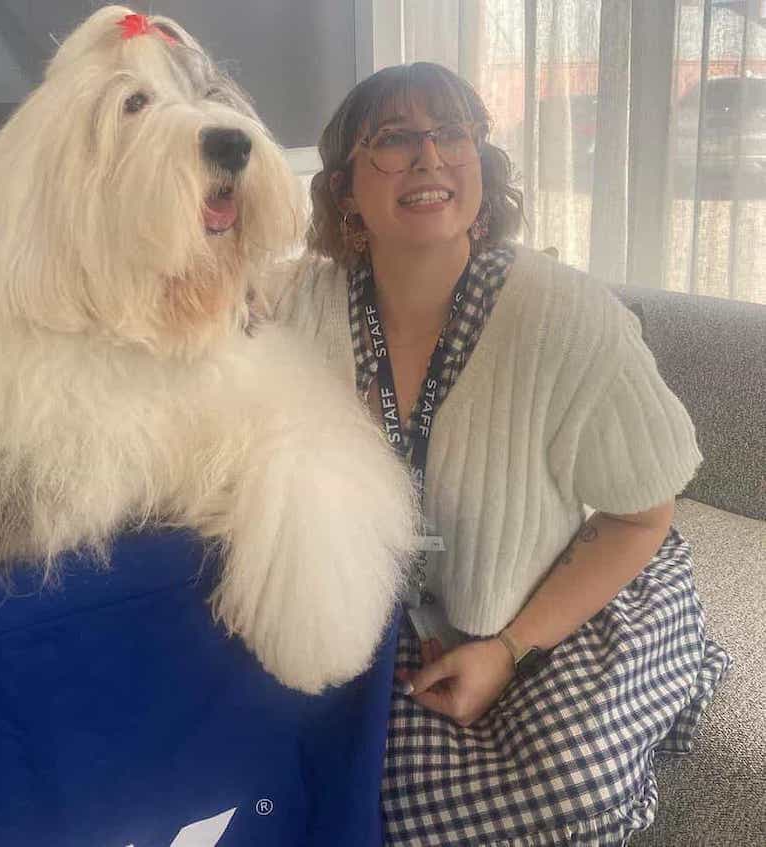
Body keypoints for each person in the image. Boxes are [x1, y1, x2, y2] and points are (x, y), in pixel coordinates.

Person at [274, 62, 730, 845]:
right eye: (394, 139)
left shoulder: (566, 315)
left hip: (550, 599)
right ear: (347, 189)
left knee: (567, 785)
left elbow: (640, 515)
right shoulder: (300, 309)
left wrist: (508, 648)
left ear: (481, 164)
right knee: (324, 771)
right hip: (394, 619)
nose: (429, 157)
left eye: (453, 133)